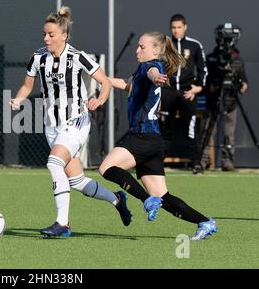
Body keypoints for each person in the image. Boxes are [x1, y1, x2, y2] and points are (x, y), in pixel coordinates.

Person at [9, 7, 132, 238]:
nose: (46, 38)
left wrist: (100, 98)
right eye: (45, 34)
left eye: (51, 34)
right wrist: (18, 99)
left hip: (76, 121)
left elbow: (105, 82)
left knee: (54, 163)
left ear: (64, 35)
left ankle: (62, 224)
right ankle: (116, 199)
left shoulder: (77, 57)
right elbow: (27, 86)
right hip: (52, 126)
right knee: (76, 181)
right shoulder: (38, 57)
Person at [99, 31, 217, 240]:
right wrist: (99, 77)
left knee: (106, 168)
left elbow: (153, 72)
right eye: (138, 46)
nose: (137, 50)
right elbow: (127, 83)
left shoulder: (150, 66)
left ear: (156, 50)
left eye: (142, 47)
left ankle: (145, 200)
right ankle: (204, 222)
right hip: (154, 141)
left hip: (141, 137)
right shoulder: (143, 71)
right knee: (163, 196)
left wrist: (156, 76)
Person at [160, 14, 208, 174]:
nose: (176, 30)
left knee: (191, 128)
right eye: (173, 27)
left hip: (188, 92)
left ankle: (196, 164)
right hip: (168, 92)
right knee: (165, 128)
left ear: (185, 27)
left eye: (179, 27)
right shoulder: (164, 45)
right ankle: (159, 164)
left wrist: (198, 88)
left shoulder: (194, 45)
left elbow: (203, 70)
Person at [200, 29, 248, 171]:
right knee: (207, 132)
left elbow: (244, 82)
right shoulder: (211, 59)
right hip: (212, 101)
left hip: (230, 101)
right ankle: (203, 160)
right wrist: (211, 86)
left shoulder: (238, 61)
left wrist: (243, 85)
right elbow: (205, 80)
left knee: (229, 133)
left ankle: (228, 161)